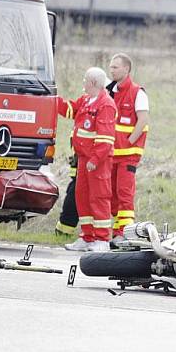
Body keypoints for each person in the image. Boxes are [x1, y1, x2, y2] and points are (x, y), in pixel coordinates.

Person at [57, 67, 117, 251]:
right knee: (82, 197)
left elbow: (105, 138)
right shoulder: (86, 100)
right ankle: (87, 236)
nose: (82, 83)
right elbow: (70, 110)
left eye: (85, 80)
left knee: (99, 197)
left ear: (92, 83)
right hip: (83, 158)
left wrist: (95, 158)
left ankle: (101, 239)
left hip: (97, 161)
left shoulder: (105, 104)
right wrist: (53, 99)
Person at [105, 53, 149, 246]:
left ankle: (126, 233)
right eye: (111, 67)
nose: (111, 70)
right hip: (111, 154)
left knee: (124, 194)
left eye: (115, 67)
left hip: (128, 155)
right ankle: (117, 232)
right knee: (112, 196)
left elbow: (143, 120)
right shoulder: (109, 91)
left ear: (126, 69)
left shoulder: (137, 92)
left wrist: (129, 141)